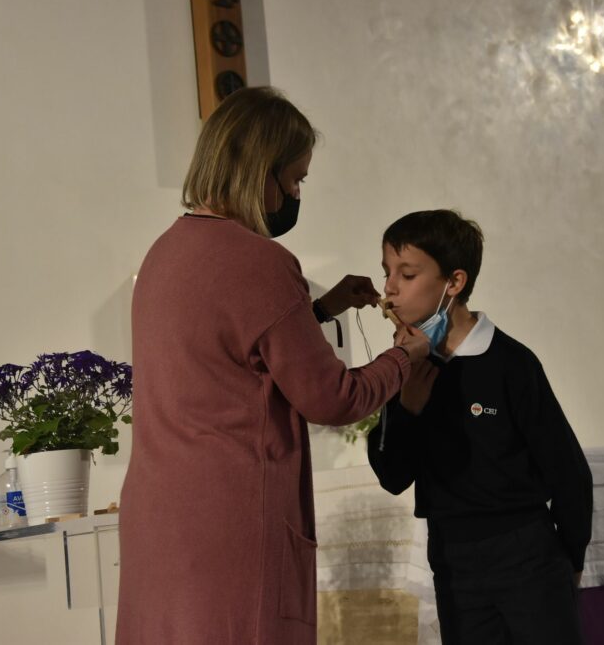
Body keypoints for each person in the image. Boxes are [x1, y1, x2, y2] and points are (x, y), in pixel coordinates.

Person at [116, 87, 429, 645]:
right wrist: (405, 356)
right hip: (229, 517)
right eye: (294, 179)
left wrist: (321, 309)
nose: (295, 193)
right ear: (260, 170)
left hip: (159, 515)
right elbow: (333, 398)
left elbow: (230, 350)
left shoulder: (164, 252)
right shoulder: (260, 261)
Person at [368, 209, 593, 645]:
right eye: (387, 272)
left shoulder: (512, 363)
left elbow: (569, 471)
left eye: (407, 274)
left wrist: (570, 559)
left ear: (454, 282)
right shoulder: (404, 365)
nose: (389, 289)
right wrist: (408, 408)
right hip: (453, 561)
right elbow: (392, 475)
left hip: (526, 555)